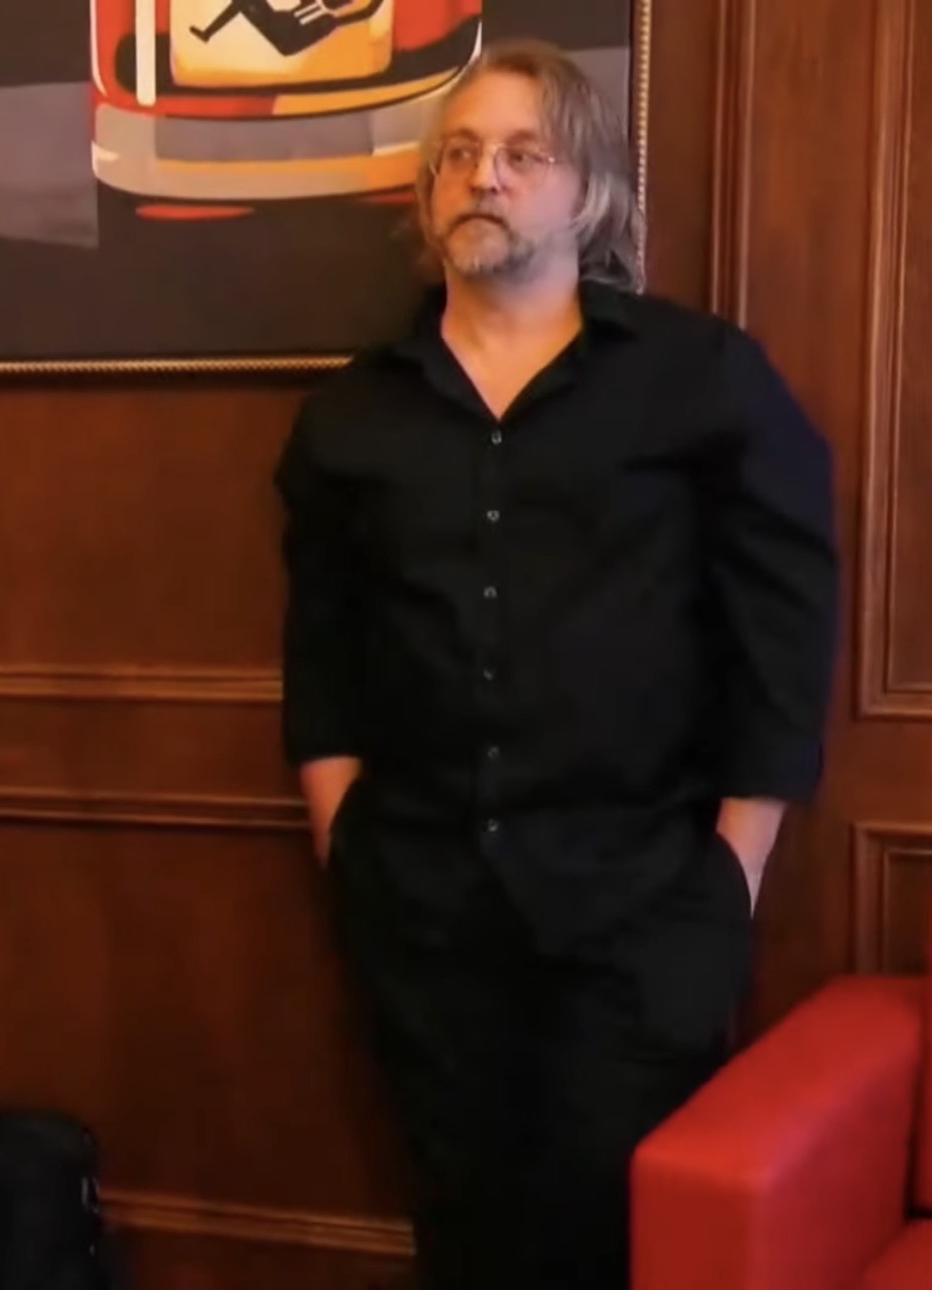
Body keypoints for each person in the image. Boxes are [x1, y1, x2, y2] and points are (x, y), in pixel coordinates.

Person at [275, 38, 839, 1290]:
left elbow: (785, 637)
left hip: (640, 907)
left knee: (606, 1242)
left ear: (589, 195)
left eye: (524, 155)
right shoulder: (352, 417)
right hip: (416, 907)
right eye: (460, 156)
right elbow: (321, 657)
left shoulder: (703, 381)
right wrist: (345, 841)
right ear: (428, 194)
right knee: (460, 1233)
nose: (484, 177)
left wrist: (728, 877)